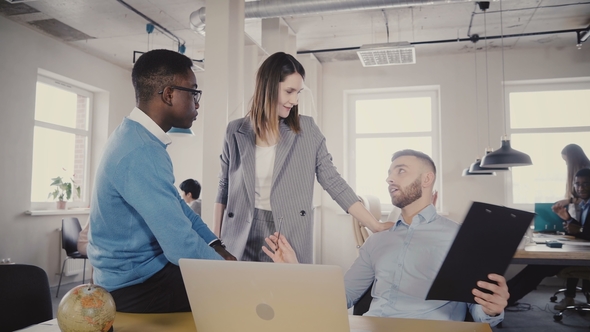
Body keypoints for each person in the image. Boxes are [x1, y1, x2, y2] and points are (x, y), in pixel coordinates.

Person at [263, 149, 508, 326]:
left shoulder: (461, 237)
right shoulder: (378, 240)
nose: (390, 178)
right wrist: (295, 270)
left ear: (427, 179)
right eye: (389, 173)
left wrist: (492, 309)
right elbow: (342, 297)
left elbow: (480, 314)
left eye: (401, 171)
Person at [87, 49, 236, 314]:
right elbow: (179, 246)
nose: (197, 103)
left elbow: (178, 207)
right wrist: (230, 273)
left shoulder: (135, 136)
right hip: (136, 285)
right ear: (169, 94)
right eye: (193, 92)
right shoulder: (141, 151)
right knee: (238, 299)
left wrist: (216, 245)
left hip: (139, 274)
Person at [214, 52, 392, 264]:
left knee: (286, 296)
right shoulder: (235, 131)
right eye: (289, 91)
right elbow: (224, 186)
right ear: (268, 86)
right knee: (239, 296)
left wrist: (375, 225)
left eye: (298, 93)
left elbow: (333, 181)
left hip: (286, 233)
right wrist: (215, 240)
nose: (294, 100)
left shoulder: (307, 130)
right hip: (239, 232)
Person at [506, 144, 590, 308]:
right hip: (581, 252)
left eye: (585, 184)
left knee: (539, 268)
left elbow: (584, 232)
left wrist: (577, 228)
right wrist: (567, 219)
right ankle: (506, 294)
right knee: (535, 266)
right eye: (577, 184)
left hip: (584, 258)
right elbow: (583, 230)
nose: (580, 188)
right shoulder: (586, 205)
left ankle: (506, 300)